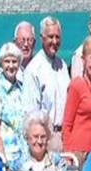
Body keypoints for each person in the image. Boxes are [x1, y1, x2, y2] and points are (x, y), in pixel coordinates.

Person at [23, 16, 70, 151]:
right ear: (42, 37)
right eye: (50, 37)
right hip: (45, 137)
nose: (54, 41)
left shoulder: (62, 66)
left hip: (65, 135)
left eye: (57, 37)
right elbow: (31, 113)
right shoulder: (34, 69)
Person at [62, 35, 91, 166]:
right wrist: (68, 155)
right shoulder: (77, 85)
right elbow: (67, 124)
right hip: (78, 153)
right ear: (83, 60)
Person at [0, 43, 27, 171]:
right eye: (7, 61)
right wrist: (4, 161)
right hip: (6, 158)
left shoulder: (22, 88)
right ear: (1, 64)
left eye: (14, 61)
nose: (11, 66)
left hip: (23, 156)